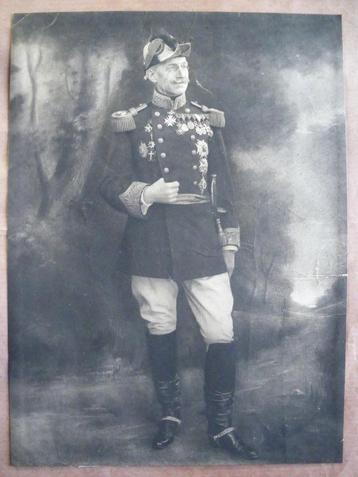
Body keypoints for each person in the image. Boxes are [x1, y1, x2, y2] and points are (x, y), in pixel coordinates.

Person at [100, 32, 257, 460]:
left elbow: (224, 186)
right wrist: (149, 194)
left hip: (202, 241)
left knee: (220, 331)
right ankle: (169, 415)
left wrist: (230, 244)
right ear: (151, 75)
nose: (180, 73)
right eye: (170, 67)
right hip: (150, 244)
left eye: (184, 67)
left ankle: (222, 426)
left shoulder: (207, 120)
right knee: (160, 327)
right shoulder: (132, 123)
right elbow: (108, 183)